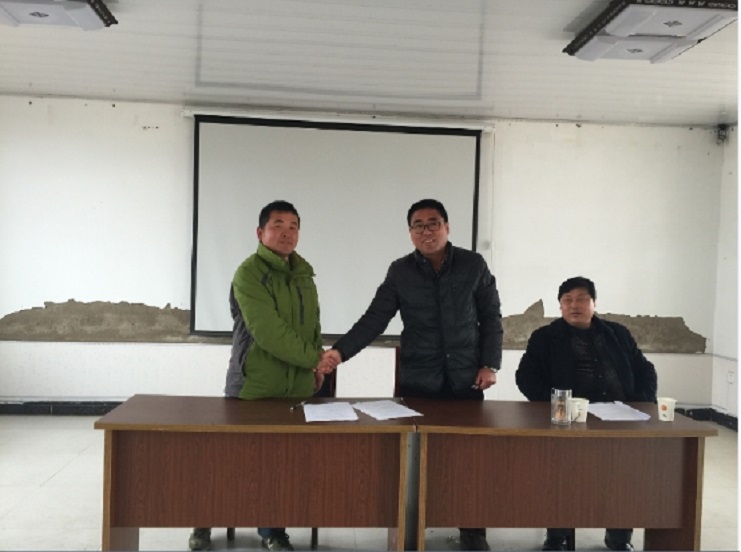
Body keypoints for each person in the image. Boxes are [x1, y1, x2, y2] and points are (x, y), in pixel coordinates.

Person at [322, 198, 503, 551]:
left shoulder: (473, 265)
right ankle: (411, 522)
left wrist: (490, 364)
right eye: (418, 225)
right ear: (410, 233)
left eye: (433, 223)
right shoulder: (400, 271)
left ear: (447, 227)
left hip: (466, 377)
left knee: (469, 458)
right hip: (419, 379)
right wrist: (339, 352)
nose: (426, 231)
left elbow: (491, 317)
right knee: (414, 456)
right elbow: (374, 319)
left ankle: (472, 529)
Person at [189, 200, 330, 552]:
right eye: (277, 225)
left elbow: (313, 325)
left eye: (293, 226)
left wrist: (315, 365)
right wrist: (314, 358)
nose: (286, 233)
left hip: (294, 389)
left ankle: (273, 531)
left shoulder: (304, 275)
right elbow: (268, 332)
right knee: (231, 461)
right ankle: (204, 520)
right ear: (260, 232)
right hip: (252, 386)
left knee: (279, 465)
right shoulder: (249, 273)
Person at [515, 276, 658, 552]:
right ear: (560, 306)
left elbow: (645, 369)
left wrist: (641, 403)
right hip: (568, 422)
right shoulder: (545, 337)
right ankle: (557, 537)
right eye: (567, 300)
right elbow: (526, 377)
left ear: (594, 303)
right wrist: (557, 405)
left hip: (618, 419)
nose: (574, 305)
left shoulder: (617, 334)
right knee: (562, 480)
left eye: (581, 299)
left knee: (622, 477)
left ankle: (619, 538)